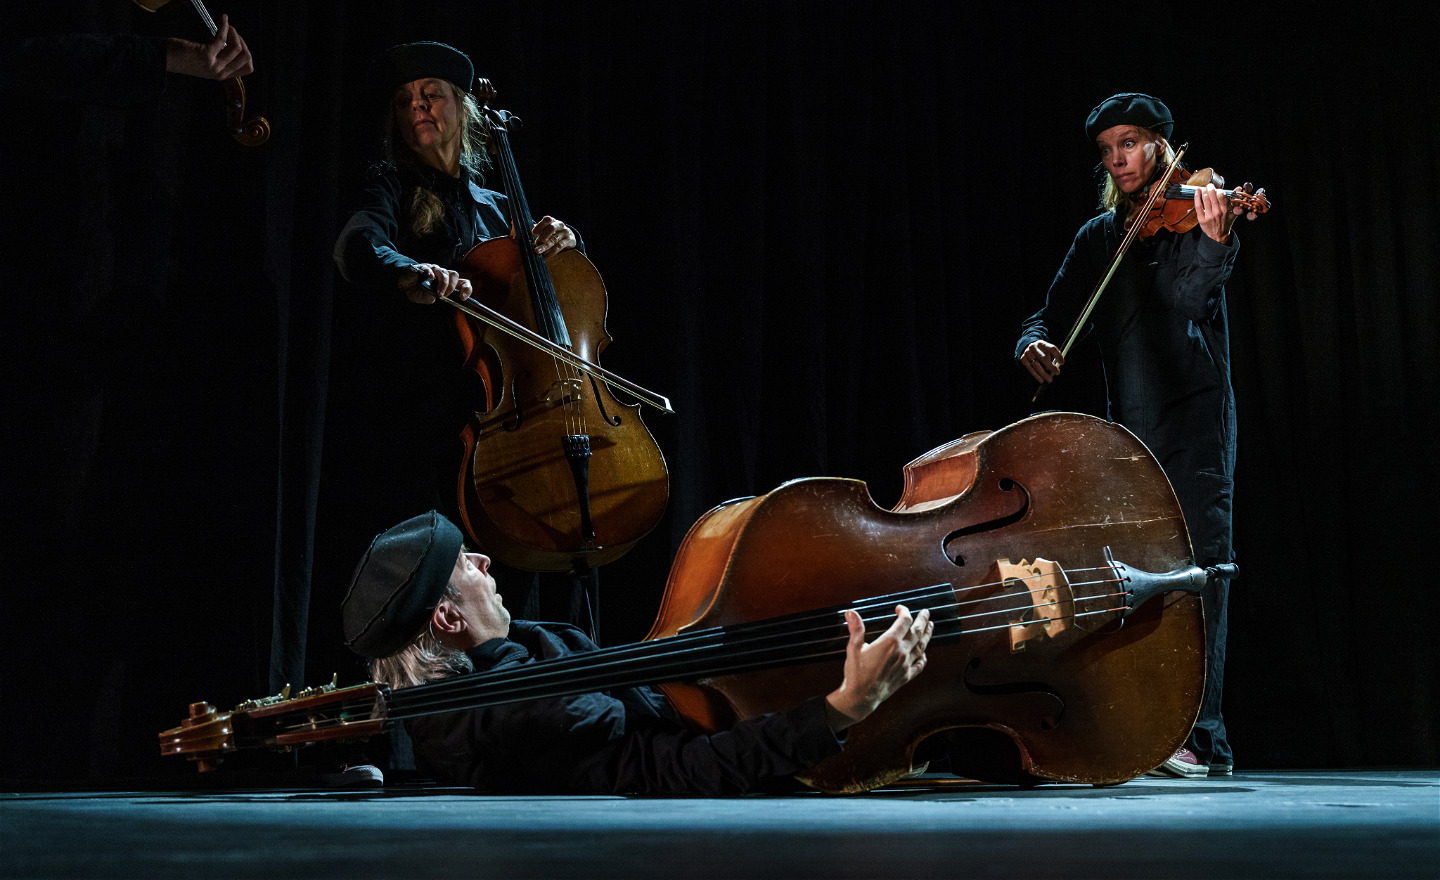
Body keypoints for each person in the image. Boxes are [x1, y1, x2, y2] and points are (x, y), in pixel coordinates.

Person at [340, 510, 935, 795]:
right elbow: (683, 769)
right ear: (446, 617)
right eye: (466, 562)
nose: (484, 561)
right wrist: (845, 707)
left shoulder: (521, 663)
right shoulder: (520, 720)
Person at [1016, 93, 1245, 779]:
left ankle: (1202, 737)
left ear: (1163, 149)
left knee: (1202, 575)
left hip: (1197, 426)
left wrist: (1210, 239)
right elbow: (1048, 314)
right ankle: (1148, 729)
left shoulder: (1196, 218)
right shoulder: (1099, 237)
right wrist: (1034, 342)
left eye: (1133, 143)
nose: (1119, 159)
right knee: (1133, 584)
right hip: (1131, 434)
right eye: (1109, 148)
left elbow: (1183, 301)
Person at [328, 40, 583, 624]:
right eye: (403, 101)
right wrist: (412, 273)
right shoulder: (388, 186)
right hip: (427, 415)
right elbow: (360, 243)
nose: (416, 107)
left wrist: (567, 246)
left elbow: (555, 295)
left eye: (430, 95)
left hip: (508, 417)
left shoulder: (499, 207)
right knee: (440, 576)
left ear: (462, 108)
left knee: (513, 579)